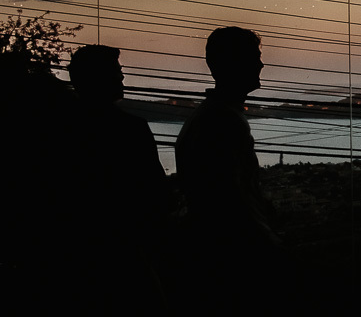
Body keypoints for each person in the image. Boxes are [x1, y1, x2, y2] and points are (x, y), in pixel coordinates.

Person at [175, 26, 280, 309]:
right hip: (230, 258)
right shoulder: (223, 122)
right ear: (233, 63)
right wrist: (268, 245)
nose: (261, 64)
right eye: (254, 57)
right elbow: (233, 198)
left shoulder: (210, 117)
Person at [68, 44, 169, 311]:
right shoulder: (130, 129)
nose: (122, 77)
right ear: (99, 79)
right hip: (127, 252)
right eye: (116, 72)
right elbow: (155, 195)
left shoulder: (56, 128)